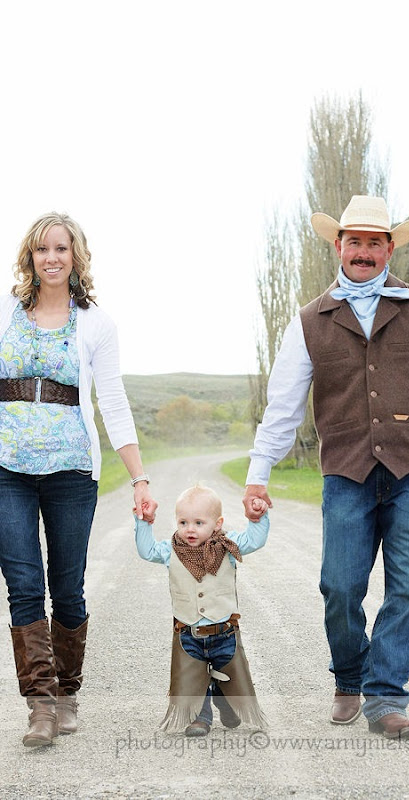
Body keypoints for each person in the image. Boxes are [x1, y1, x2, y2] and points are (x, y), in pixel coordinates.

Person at [243, 195, 409, 739]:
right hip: (346, 472)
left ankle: (386, 696)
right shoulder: (309, 320)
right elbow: (282, 407)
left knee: (408, 590)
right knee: (339, 587)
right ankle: (349, 678)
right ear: (339, 246)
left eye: (375, 243)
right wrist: (259, 473)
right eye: (355, 241)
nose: (364, 252)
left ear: (389, 249)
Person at [0, 212, 157, 748]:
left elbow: (112, 401)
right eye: (42, 249)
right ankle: (41, 707)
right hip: (7, 469)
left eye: (61, 249)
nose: (51, 258)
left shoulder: (95, 323)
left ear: (75, 257)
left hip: (70, 470)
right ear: (30, 256)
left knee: (67, 588)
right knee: (24, 587)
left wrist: (139, 478)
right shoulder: (6, 311)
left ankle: (67, 692)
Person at [135, 484, 269, 737]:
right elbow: (147, 550)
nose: (190, 529)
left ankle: (226, 704)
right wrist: (144, 522)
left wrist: (258, 517)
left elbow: (255, 540)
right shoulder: (171, 550)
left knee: (228, 675)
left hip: (224, 632)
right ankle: (200, 718)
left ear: (217, 524)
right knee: (193, 679)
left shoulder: (227, 547)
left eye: (198, 523)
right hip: (188, 632)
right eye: (183, 522)